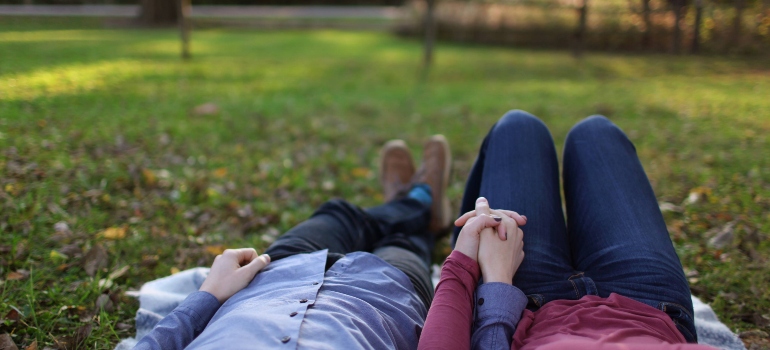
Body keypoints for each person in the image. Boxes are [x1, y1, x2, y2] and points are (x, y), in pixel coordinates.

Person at [419, 110, 716, 350]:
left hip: (523, 307)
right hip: (649, 309)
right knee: (597, 133)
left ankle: (430, 206)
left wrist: (470, 264)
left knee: (517, 128)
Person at [134, 136, 453, 349]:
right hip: (383, 302)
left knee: (339, 214)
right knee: (407, 242)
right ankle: (421, 203)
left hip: (272, 282)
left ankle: (414, 201)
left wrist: (209, 294)